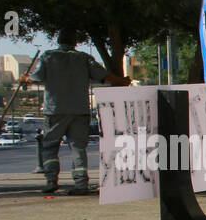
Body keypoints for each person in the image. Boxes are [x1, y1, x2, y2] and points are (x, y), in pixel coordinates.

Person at [21, 29, 129, 195]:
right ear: (75, 42)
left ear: (58, 40)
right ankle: (81, 183)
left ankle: (51, 181)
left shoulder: (48, 57)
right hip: (79, 110)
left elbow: (36, 77)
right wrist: (122, 80)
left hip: (54, 110)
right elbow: (103, 75)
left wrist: (25, 79)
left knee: (50, 146)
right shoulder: (84, 58)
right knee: (78, 148)